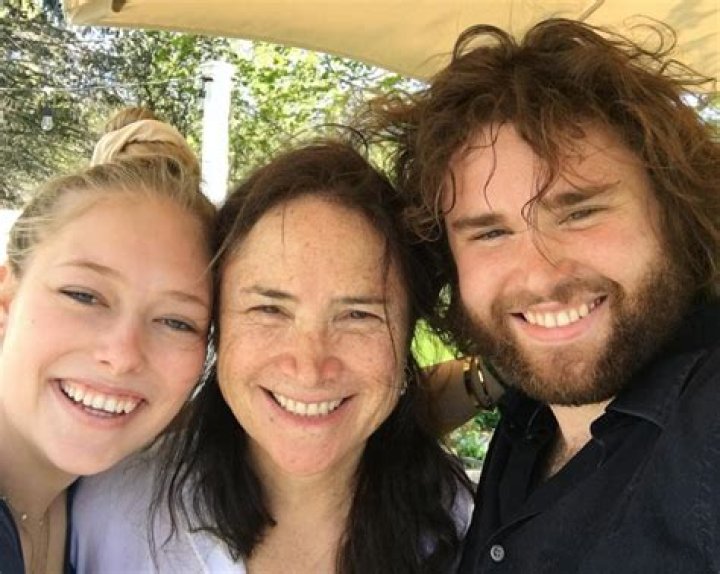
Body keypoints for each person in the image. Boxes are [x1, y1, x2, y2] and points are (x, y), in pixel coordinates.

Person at [371, 17, 720, 573]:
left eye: (580, 213)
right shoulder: (530, 410)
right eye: (490, 233)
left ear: (676, 214)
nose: (539, 276)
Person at [71, 139, 474, 573]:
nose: (309, 367)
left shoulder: (469, 529)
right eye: (269, 309)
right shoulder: (109, 515)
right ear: (217, 324)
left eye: (358, 315)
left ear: (408, 331)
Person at [0, 111, 215, 572]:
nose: (122, 356)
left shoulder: (100, 501)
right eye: (83, 295)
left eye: (176, 322)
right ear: (6, 301)